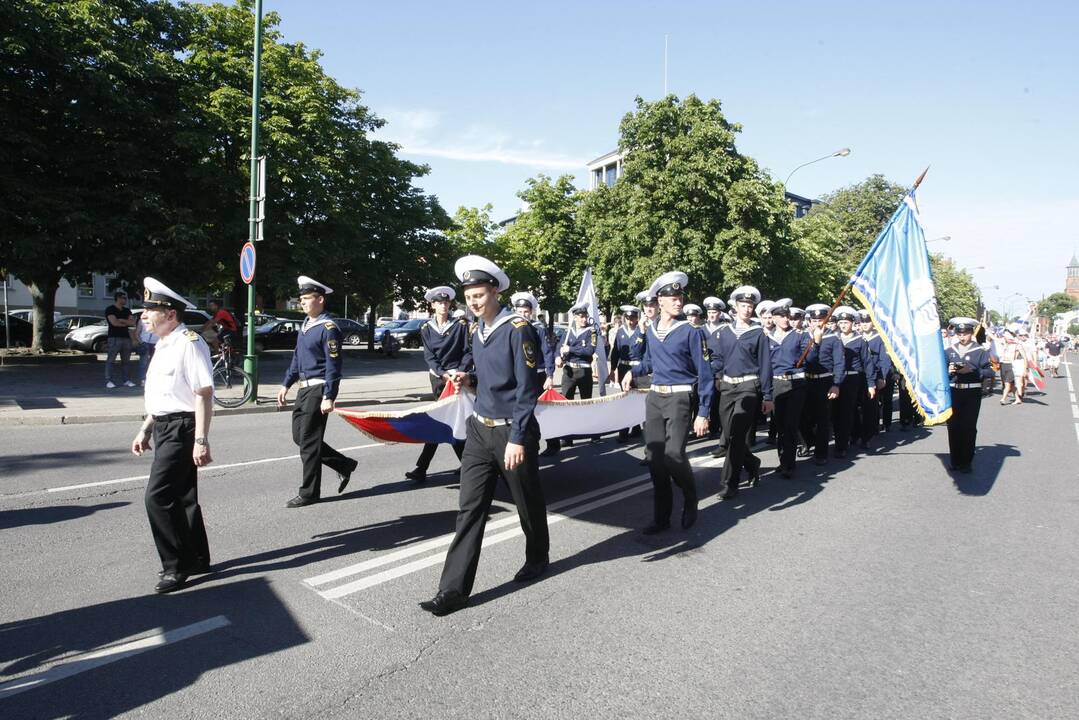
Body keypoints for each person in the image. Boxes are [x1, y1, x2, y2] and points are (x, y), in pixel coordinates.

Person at [420, 255, 548, 616]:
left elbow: (527, 389)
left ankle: (538, 556)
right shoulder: (477, 330)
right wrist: (469, 380)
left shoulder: (518, 329)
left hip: (511, 431)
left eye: (479, 295)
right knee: (470, 509)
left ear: (495, 291)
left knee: (528, 501)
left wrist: (519, 438)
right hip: (479, 430)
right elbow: (490, 380)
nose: (474, 302)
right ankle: (453, 590)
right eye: (469, 297)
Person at [130, 278, 214, 594]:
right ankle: (198, 559)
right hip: (166, 426)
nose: (143, 317)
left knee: (158, 496)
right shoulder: (164, 344)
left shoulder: (189, 342)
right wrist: (145, 428)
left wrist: (201, 440)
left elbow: (203, 393)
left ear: (170, 314)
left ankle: (175, 567)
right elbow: (164, 396)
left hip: (183, 427)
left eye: (148, 310)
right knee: (183, 496)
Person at [622, 271, 712, 532]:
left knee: (673, 455)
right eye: (672, 297)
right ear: (659, 301)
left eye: (680, 296)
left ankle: (691, 497)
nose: (678, 301)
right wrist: (633, 371)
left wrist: (704, 412)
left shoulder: (691, 332)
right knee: (654, 457)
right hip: (655, 398)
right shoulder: (651, 330)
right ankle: (661, 517)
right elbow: (650, 361)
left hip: (680, 397)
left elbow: (705, 374)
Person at [277, 276, 359, 507]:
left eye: (306, 299)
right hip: (304, 390)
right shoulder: (305, 326)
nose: (301, 303)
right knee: (300, 438)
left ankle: (309, 492)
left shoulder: (328, 329)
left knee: (309, 442)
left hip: (319, 388)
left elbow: (334, 365)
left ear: (320, 299)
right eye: (300, 299)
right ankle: (343, 465)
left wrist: (329, 396)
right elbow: (297, 359)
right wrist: (286, 384)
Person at [710, 286, 772, 498]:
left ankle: (729, 483)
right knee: (727, 436)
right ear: (735, 307)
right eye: (743, 305)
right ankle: (752, 462)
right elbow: (717, 357)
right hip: (727, 386)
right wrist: (717, 376)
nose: (747, 309)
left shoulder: (758, 334)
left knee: (737, 436)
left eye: (750, 306)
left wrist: (768, 396)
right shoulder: (723, 332)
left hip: (748, 387)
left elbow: (765, 365)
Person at [405, 286, 470, 483]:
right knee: (444, 421)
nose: (443, 305)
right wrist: (442, 374)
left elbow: (468, 351)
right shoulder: (426, 328)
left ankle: (423, 468)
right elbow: (429, 356)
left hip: (457, 378)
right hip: (438, 379)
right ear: (432, 305)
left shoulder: (460, 325)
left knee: (444, 421)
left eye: (446, 302)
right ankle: (468, 465)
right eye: (439, 302)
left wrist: (459, 372)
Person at [767, 299, 812, 478]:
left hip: (796, 384)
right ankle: (782, 460)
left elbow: (809, 358)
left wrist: (814, 342)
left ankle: (789, 464)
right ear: (774, 318)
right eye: (781, 316)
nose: (785, 319)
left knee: (791, 424)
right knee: (779, 425)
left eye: (787, 316)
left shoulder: (800, 336)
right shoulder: (766, 337)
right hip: (776, 383)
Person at [512, 291, 559, 457]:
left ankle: (553, 444)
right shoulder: (513, 327)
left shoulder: (538, 328)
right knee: (523, 411)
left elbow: (547, 352)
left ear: (531, 312)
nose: (523, 314)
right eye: (520, 311)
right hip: (519, 376)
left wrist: (550, 375)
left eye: (526, 311)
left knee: (543, 412)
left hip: (537, 375)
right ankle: (527, 444)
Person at [945, 318, 993, 473]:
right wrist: (949, 370)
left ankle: (966, 461)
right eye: (959, 333)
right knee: (953, 427)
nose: (961, 336)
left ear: (971, 333)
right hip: (954, 391)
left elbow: (990, 371)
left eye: (965, 333)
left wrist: (973, 371)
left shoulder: (980, 351)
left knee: (969, 428)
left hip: (971, 392)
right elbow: (940, 370)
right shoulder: (949, 350)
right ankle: (955, 460)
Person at [801, 304, 845, 464]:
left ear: (826, 321)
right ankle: (807, 443)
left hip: (824, 382)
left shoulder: (833, 339)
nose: (817, 323)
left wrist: (836, 384)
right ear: (809, 321)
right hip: (806, 381)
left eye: (821, 320)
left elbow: (839, 363)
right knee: (803, 417)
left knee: (822, 419)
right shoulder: (803, 336)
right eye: (814, 320)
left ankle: (821, 453)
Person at [552, 302, 598, 449]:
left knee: (586, 404)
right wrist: (558, 357)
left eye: (585, 316)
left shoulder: (591, 332)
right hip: (569, 371)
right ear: (575, 318)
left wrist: (570, 349)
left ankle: (592, 433)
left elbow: (589, 351)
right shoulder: (569, 331)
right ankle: (567, 436)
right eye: (581, 316)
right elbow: (559, 346)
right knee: (566, 404)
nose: (584, 319)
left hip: (584, 370)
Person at [832, 306, 877, 456]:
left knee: (847, 411)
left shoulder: (860, 340)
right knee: (836, 412)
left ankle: (842, 446)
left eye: (846, 322)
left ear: (852, 323)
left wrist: (871, 383)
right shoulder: (834, 338)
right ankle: (849, 436)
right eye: (841, 322)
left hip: (853, 378)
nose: (843, 325)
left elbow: (867, 362)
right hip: (836, 378)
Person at [611, 304, 646, 442]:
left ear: (637, 318)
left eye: (633, 318)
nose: (630, 321)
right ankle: (623, 432)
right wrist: (613, 369)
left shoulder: (642, 330)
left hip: (638, 369)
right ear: (624, 318)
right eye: (628, 318)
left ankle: (637, 428)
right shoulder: (620, 332)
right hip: (624, 368)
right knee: (626, 401)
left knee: (637, 401)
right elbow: (615, 351)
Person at [859, 309, 893, 440]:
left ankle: (871, 429)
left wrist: (882, 377)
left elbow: (884, 360)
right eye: (862, 322)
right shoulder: (858, 337)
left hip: (874, 375)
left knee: (871, 405)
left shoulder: (879, 338)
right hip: (858, 375)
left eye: (867, 321)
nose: (864, 324)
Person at [105, 290, 137, 388]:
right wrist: (125, 322)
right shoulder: (110, 309)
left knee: (126, 361)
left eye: (126, 298)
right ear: (118, 298)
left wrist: (122, 320)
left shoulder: (127, 310)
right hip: (114, 337)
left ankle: (126, 380)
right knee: (111, 360)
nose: (125, 300)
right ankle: (109, 380)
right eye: (124, 298)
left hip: (126, 338)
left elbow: (132, 323)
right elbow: (114, 323)